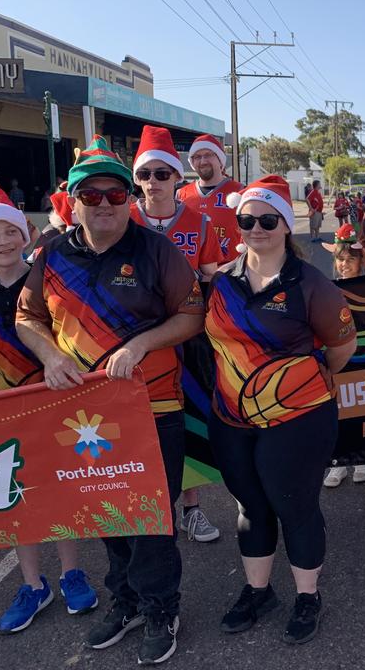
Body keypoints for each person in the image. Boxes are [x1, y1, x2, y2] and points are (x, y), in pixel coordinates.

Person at [16, 136, 205, 665]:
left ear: (130, 199)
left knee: (148, 515)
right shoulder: (52, 252)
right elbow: (26, 317)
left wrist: (140, 344)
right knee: (102, 510)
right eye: (91, 196)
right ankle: (124, 601)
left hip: (154, 407)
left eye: (115, 195)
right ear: (72, 200)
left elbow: (192, 316)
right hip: (81, 414)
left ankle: (161, 606)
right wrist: (51, 356)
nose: (104, 204)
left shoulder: (156, 250)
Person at [207, 175, 357, 642]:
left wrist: (298, 382)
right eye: (247, 220)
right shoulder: (221, 280)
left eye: (268, 219)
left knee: (295, 505)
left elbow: (342, 346)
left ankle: (307, 597)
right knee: (250, 505)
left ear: (285, 225)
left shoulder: (310, 283)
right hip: (231, 418)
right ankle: (258, 591)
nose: (257, 228)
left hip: (298, 419)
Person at [0, 158, 100, 633]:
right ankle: (33, 584)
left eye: (9, 231)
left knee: (60, 487)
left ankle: (72, 573)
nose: (2, 242)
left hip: (49, 395)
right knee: (13, 492)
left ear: (24, 234)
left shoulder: (43, 277)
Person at [130, 126, 222, 542]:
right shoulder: (122, 217)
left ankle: (192, 508)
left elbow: (212, 277)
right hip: (132, 343)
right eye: (145, 174)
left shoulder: (198, 223)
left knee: (188, 420)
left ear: (176, 178)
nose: (153, 182)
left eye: (162, 174)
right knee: (137, 427)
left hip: (188, 340)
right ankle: (148, 508)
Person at [321, 224, 365, 488]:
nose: (345, 264)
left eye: (351, 259)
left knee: (360, 405)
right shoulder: (327, 288)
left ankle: (361, 459)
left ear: (360, 261)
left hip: (362, 352)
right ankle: (337, 463)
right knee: (337, 409)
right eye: (340, 259)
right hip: (337, 352)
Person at [177, 134, 244, 264]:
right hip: (193, 275)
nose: (203, 161)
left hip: (231, 273)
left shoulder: (240, 191)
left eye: (208, 155)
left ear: (220, 159)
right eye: (197, 157)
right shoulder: (181, 194)